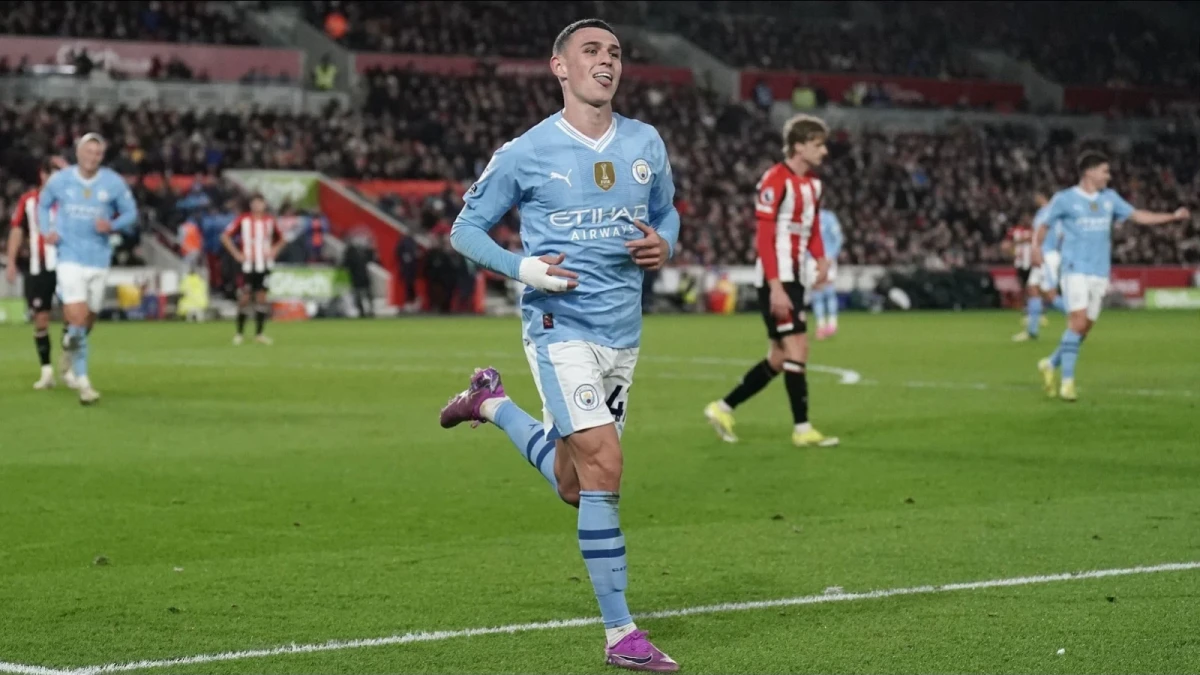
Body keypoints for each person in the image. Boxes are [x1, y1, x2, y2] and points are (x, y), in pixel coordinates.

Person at [437, 19, 681, 672]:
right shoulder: (526, 151)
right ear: (560, 67)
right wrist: (525, 269)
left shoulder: (646, 142)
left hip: (622, 334)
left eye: (615, 53)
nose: (606, 61)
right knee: (606, 465)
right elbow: (465, 229)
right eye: (591, 51)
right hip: (558, 329)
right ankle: (621, 633)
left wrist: (666, 242)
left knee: (576, 485)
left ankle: (490, 403)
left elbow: (668, 211)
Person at [703, 115, 839, 448]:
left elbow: (811, 229)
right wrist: (776, 286)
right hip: (776, 278)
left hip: (796, 277)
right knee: (798, 347)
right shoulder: (774, 180)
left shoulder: (814, 185)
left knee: (779, 357)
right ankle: (803, 429)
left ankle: (722, 408)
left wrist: (822, 259)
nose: (824, 151)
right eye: (818, 144)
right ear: (799, 146)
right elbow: (764, 237)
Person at [1037, 151, 1190, 401]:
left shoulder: (1109, 198)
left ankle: (1050, 363)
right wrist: (1036, 249)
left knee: (1084, 328)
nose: (1108, 176)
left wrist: (1171, 216)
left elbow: (1138, 216)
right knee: (1077, 321)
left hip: (1099, 271)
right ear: (1089, 172)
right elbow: (1044, 225)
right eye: (1104, 171)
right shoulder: (1064, 199)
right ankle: (1067, 382)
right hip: (1074, 268)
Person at [37, 133, 138, 404]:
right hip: (69, 256)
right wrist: (47, 230)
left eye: (97, 153)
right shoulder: (61, 180)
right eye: (88, 151)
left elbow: (131, 212)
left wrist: (112, 225)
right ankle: (83, 382)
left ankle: (70, 345)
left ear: (101, 156)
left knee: (88, 319)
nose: (92, 157)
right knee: (78, 316)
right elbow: (43, 205)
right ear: (78, 153)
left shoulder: (112, 182)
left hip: (99, 258)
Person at [5, 158, 60, 389]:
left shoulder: (68, 201)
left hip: (66, 266)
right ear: (42, 175)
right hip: (38, 267)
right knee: (40, 318)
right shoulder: (28, 201)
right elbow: (17, 230)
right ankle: (46, 371)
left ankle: (69, 365)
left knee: (75, 315)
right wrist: (11, 261)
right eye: (51, 173)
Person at [221, 193, 283, 345]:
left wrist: (274, 250)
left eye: (260, 203)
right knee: (245, 297)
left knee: (262, 298)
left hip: (264, 264)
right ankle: (239, 333)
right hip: (247, 265)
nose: (257, 206)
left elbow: (282, 238)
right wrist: (236, 254)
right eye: (254, 203)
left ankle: (259, 334)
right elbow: (225, 236)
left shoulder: (270, 220)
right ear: (250, 205)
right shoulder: (243, 219)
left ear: (264, 205)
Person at [810, 207, 844, 340]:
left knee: (829, 291)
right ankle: (821, 325)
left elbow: (838, 238)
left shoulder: (829, 217)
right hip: (812, 259)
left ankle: (832, 324)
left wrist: (832, 255)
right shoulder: (807, 216)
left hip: (828, 257)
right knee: (817, 293)